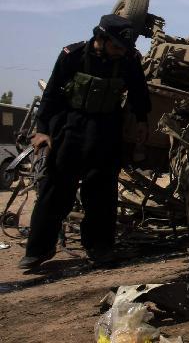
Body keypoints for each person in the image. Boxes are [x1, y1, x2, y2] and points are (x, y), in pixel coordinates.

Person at [18, 14, 151, 270]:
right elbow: (52, 94)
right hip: (71, 127)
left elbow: (138, 92)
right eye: (116, 46)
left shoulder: (128, 59)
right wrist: (42, 130)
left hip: (107, 128)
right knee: (55, 190)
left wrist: (142, 122)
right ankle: (39, 250)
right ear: (100, 38)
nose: (120, 52)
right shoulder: (73, 55)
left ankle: (100, 249)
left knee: (102, 193)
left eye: (124, 48)